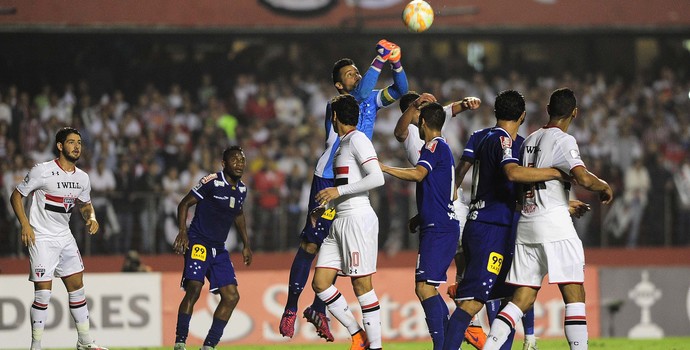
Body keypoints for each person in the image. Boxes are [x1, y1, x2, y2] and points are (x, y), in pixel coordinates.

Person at [279, 39, 408, 341]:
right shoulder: (336, 106)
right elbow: (361, 94)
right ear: (338, 85)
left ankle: (319, 309)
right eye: (350, 74)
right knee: (311, 245)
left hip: (350, 181)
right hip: (327, 178)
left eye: (357, 71)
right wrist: (379, 59)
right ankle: (290, 309)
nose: (357, 76)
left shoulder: (372, 99)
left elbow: (401, 90)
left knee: (335, 243)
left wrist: (397, 62)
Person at [483, 88, 613, 350]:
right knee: (574, 293)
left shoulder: (530, 138)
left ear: (548, 110)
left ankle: (490, 347)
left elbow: (527, 184)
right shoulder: (564, 141)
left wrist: (563, 202)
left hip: (528, 225)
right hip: (555, 227)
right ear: (574, 112)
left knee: (522, 297)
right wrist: (604, 186)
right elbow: (583, 178)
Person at [442, 90, 567, 350]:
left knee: (507, 298)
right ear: (522, 116)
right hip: (493, 227)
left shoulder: (480, 137)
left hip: (493, 224)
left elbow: (460, 172)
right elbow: (514, 175)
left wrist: (451, 196)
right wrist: (555, 173)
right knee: (471, 302)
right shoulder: (508, 142)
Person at [393, 92, 489, 349]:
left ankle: (463, 327)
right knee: (462, 262)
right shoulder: (414, 133)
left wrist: (464, 104)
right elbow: (400, 131)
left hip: (444, 213)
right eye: (420, 107)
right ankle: (468, 325)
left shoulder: (433, 140)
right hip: (446, 210)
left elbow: (444, 111)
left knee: (450, 271)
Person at [9, 127, 107, 350]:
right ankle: (36, 345)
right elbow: (16, 195)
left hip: (65, 237)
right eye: (71, 142)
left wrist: (90, 217)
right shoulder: (41, 171)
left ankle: (84, 341)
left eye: (79, 142)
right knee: (43, 294)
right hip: (41, 237)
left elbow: (85, 204)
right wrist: (25, 224)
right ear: (60, 146)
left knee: (78, 289)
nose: (77, 146)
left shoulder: (82, 178)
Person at [380, 102, 459, 350]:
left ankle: (444, 344)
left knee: (424, 288)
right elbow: (443, 190)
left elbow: (418, 175)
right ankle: (447, 343)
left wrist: (382, 168)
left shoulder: (434, 146)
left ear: (423, 122)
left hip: (439, 227)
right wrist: (420, 216)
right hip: (436, 223)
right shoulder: (438, 147)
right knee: (426, 288)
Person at [311, 94, 386, 350]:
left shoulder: (358, 140)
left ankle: (375, 347)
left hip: (357, 218)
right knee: (320, 283)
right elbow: (344, 184)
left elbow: (377, 178)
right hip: (339, 219)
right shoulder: (342, 144)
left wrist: (337, 193)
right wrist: (327, 206)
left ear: (334, 117)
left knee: (362, 286)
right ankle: (357, 335)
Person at [172, 146, 253, 350]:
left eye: (242, 160)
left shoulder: (242, 189)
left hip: (219, 248)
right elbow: (184, 204)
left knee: (232, 296)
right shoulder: (211, 181)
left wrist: (246, 244)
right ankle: (180, 342)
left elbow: (239, 214)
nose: (239, 163)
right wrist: (182, 231)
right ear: (224, 164)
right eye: (234, 160)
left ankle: (208, 346)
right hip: (199, 242)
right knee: (194, 289)